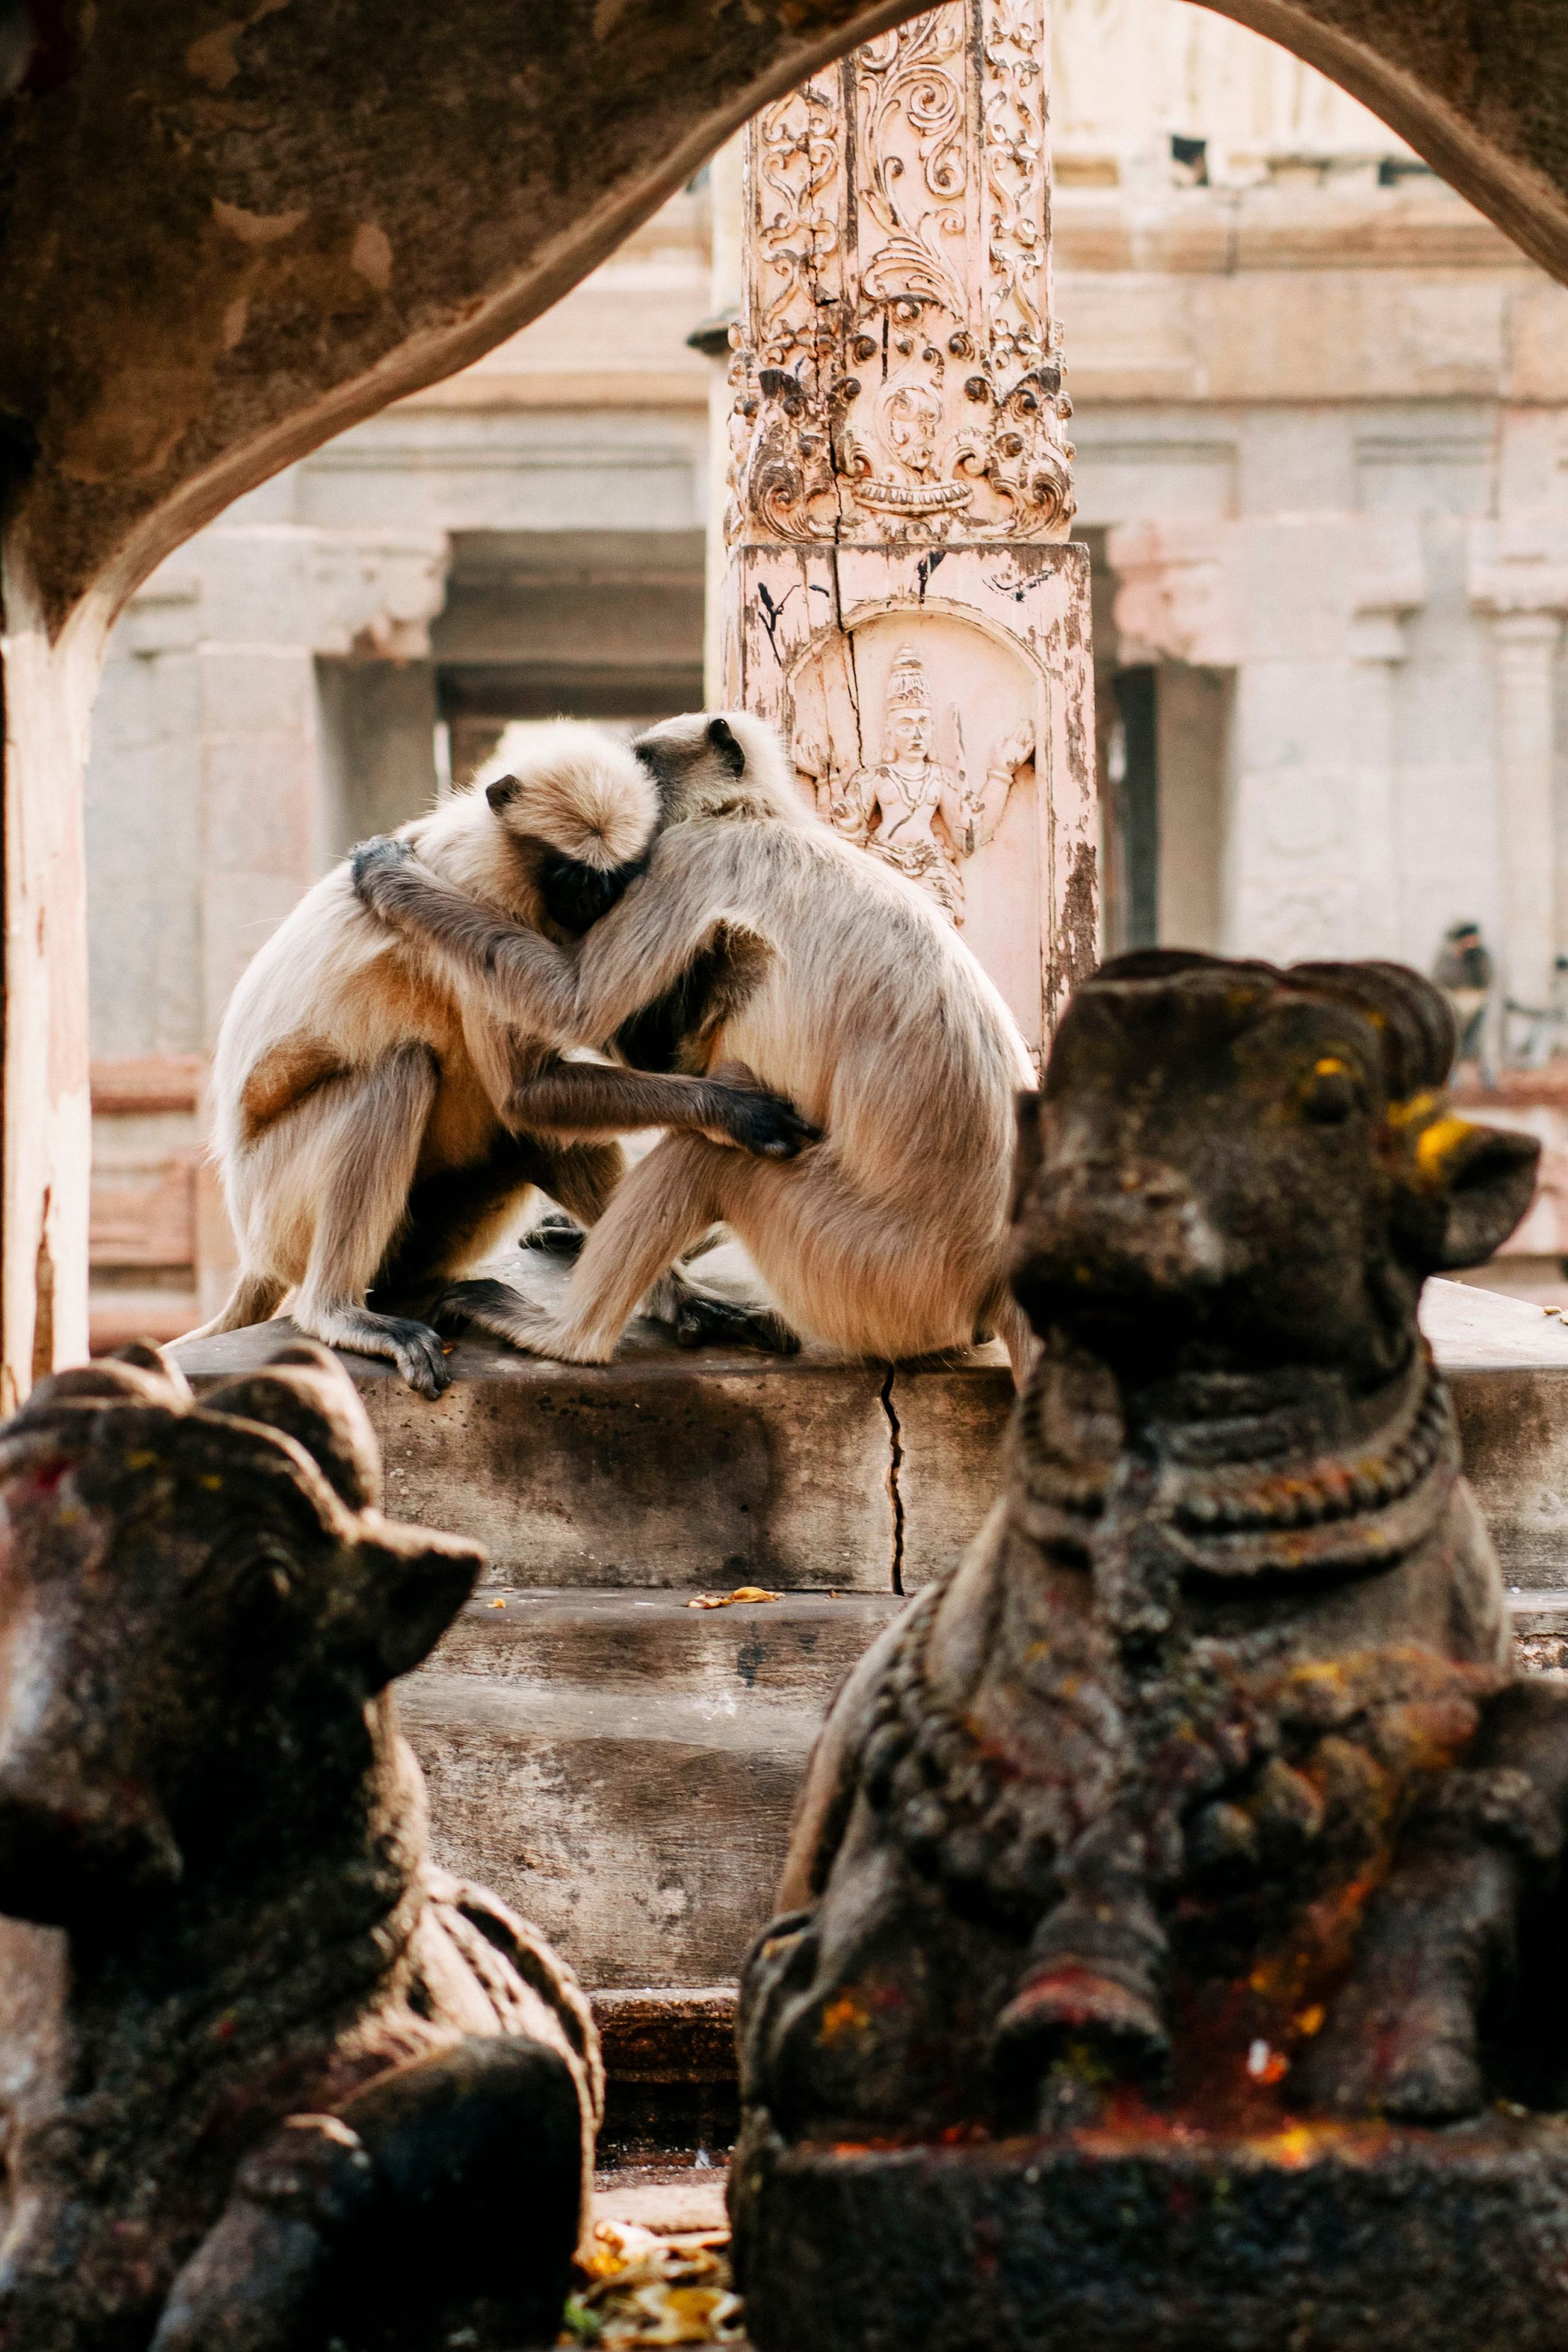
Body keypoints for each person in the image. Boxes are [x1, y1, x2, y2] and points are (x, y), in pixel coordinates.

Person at [1433, 919, 1493, 1069]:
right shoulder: (1448, 957)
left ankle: (1489, 1078)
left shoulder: (1481, 956)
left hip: (1478, 1002)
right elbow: (1440, 979)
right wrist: (1458, 958)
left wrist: (1473, 959)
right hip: (1454, 1003)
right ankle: (1453, 1079)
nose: (1471, 943)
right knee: (1453, 1044)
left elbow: (1485, 981)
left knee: (1486, 1043)